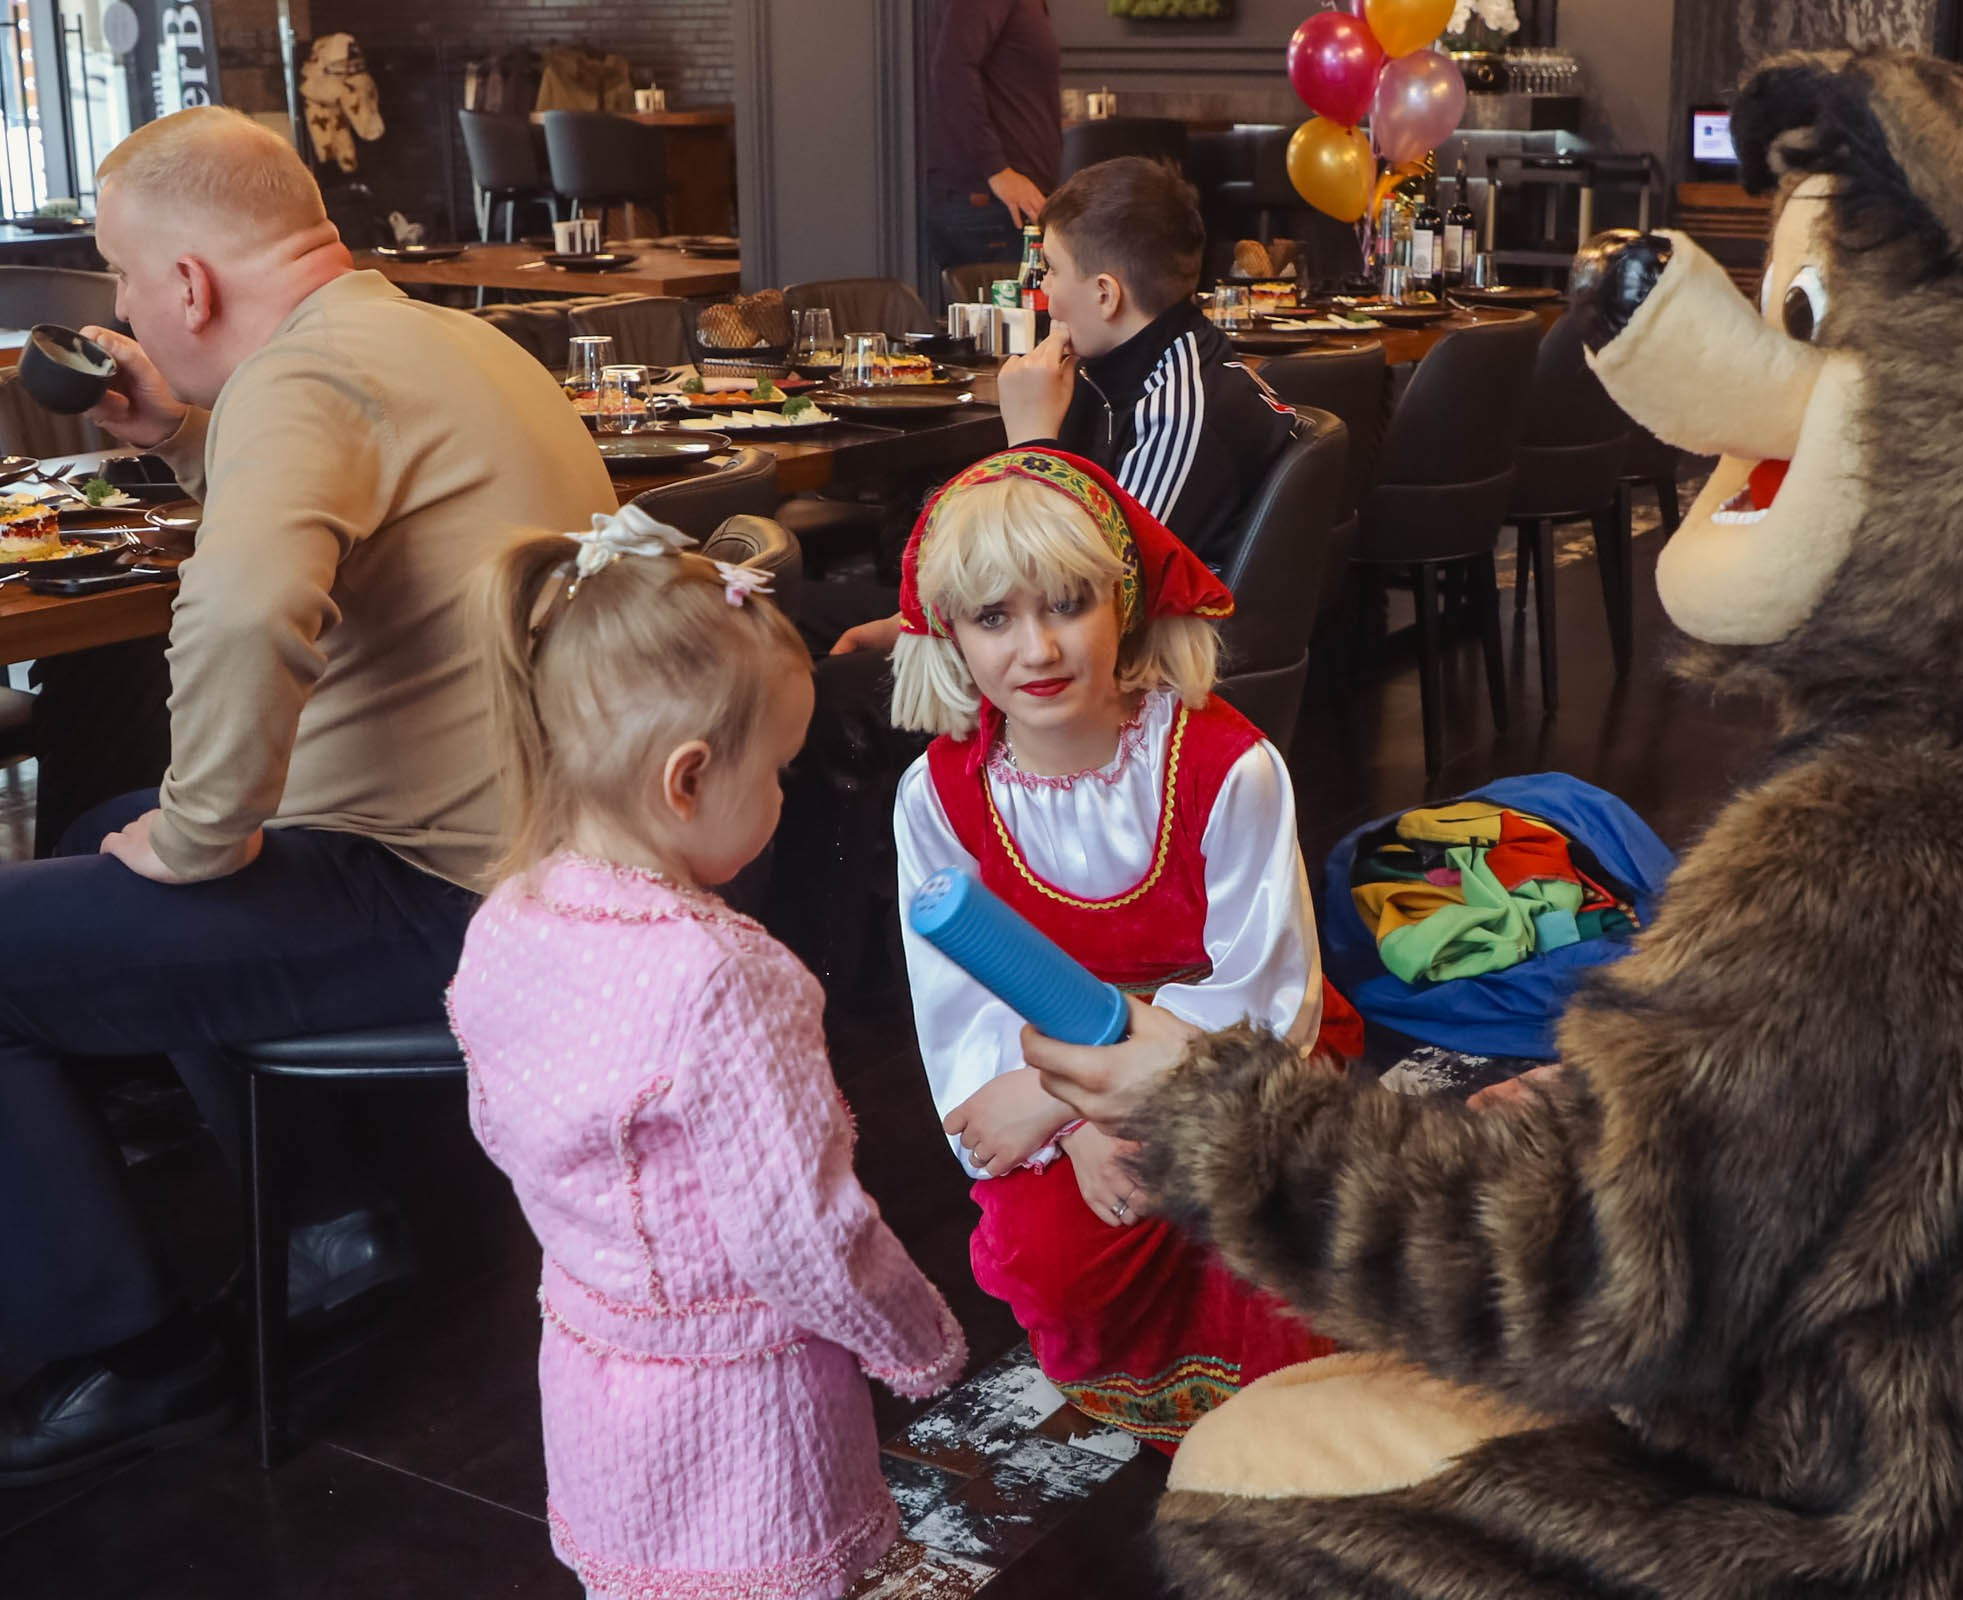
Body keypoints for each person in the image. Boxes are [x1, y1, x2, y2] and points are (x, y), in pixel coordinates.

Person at [0, 105, 616, 1483]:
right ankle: (336, 1226)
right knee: (109, 835)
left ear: (186, 286)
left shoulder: (306, 379)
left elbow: (242, 610)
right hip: (544, 858)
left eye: (118, 274)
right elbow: (347, 522)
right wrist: (187, 439)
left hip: (446, 903)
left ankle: (125, 1355)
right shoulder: (440, 338)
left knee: (95, 887)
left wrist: (209, 835)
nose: (120, 307)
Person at [449, 507, 964, 1600]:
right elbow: (802, 1234)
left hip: (594, 1369)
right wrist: (916, 1337)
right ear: (686, 780)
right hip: (744, 1403)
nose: (786, 795)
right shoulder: (725, 974)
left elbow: (501, 1123)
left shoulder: (508, 917)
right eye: (778, 770)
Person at [888, 447, 1355, 1446]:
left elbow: (1272, 993)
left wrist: (1088, 1092)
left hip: (1228, 1066)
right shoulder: (936, 795)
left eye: (1067, 604)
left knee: (1270, 1229)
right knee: (1057, 1252)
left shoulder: (1228, 763)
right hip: (1049, 1081)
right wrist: (1075, 1123)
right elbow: (958, 1005)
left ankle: (1272, 1424)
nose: (1038, 649)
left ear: (1125, 603)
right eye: (994, 619)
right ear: (951, 637)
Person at [800, 156, 1295, 664]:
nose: (1047, 296)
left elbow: (1082, 597)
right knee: (783, 613)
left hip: (1094, 679)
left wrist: (1030, 443)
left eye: (1052, 270)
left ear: (1105, 294)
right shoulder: (1111, 371)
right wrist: (913, 621)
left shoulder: (1175, 409)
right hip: (1033, 632)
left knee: (820, 693)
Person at [919, 0, 1060, 280]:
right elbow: (952, 69)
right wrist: (997, 170)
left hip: (1005, 207)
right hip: (992, 207)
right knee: (1005, 323)